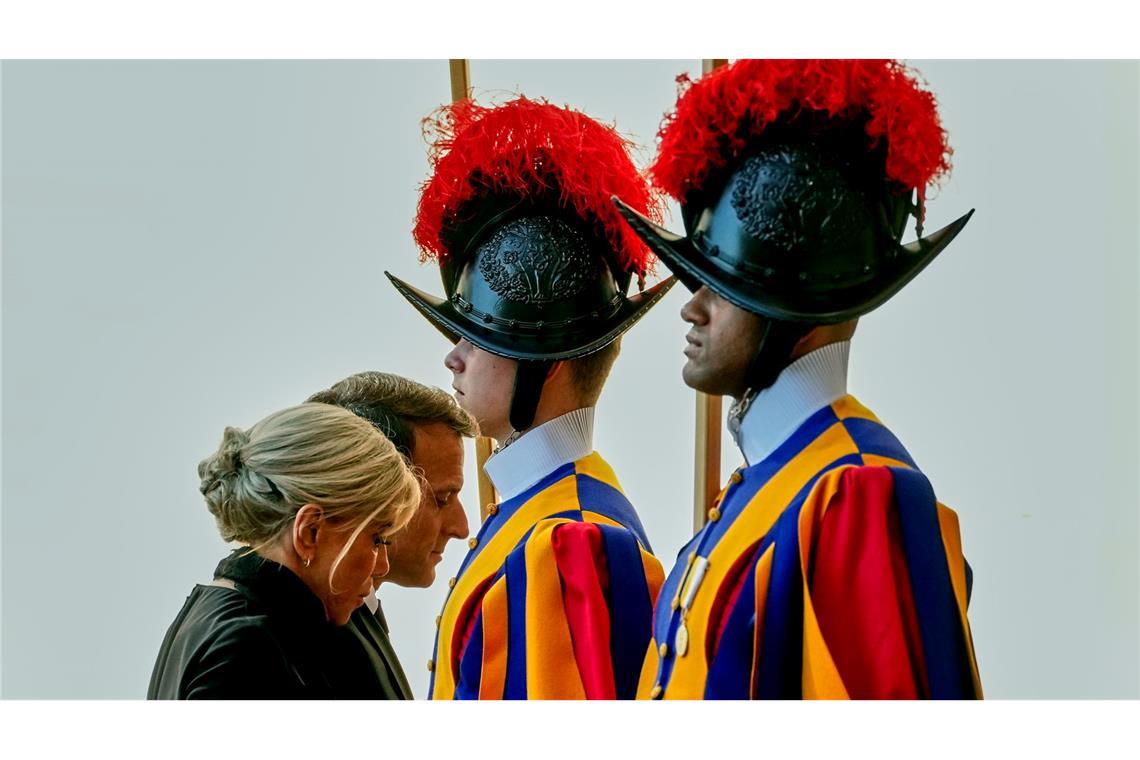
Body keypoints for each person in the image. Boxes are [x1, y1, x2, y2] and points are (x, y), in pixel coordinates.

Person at [612, 59, 983, 699]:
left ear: (798, 310)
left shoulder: (858, 494)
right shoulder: (770, 483)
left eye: (724, 286)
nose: (692, 307)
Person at [385, 96, 673, 699]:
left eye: (479, 338)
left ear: (547, 360)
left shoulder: (571, 540)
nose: (453, 357)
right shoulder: (537, 514)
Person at [148, 402, 420, 699]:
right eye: (377, 539)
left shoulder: (220, 615)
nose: (382, 566)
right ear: (309, 531)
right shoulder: (249, 651)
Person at [307, 371, 479, 699]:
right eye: (442, 499)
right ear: (374, 489)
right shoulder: (278, 642)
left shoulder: (353, 612)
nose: (461, 528)